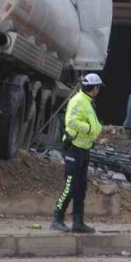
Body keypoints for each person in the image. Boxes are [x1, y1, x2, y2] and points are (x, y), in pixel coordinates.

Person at [52, 74, 103, 234]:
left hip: (83, 149)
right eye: (98, 88)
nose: (99, 90)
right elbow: (71, 121)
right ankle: (57, 218)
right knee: (70, 185)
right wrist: (89, 129)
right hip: (73, 148)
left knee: (81, 187)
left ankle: (78, 222)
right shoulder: (79, 100)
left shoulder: (87, 101)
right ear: (95, 88)